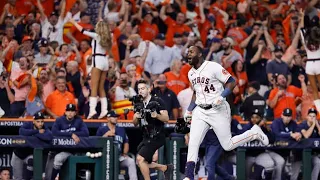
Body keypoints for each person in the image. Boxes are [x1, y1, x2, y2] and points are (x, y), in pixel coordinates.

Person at [183, 46, 269, 180]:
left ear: (200, 54)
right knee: (193, 142)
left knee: (227, 145)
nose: (188, 54)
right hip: (200, 110)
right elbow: (196, 92)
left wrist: (222, 96)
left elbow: (231, 82)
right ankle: (188, 177)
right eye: (187, 52)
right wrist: (189, 110)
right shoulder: (190, 73)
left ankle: (254, 133)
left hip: (218, 109)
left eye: (191, 52)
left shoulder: (213, 67)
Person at [69, 17, 112, 119]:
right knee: (101, 87)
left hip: (97, 59)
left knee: (94, 86)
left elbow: (82, 30)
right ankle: (104, 110)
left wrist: (74, 22)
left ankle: (92, 110)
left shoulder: (97, 36)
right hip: (105, 60)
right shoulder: (108, 37)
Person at [132, 79, 173, 180]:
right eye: (138, 89)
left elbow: (166, 118)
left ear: (149, 89)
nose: (140, 91)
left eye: (142, 88)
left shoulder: (158, 101)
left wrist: (157, 116)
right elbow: (135, 123)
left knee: (140, 159)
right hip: (146, 136)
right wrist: (136, 116)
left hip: (157, 135)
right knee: (141, 162)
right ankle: (165, 168)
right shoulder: (138, 103)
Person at [50, 104, 89, 180]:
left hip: (76, 149)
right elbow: (54, 132)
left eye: (72, 111)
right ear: (65, 112)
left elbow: (86, 133)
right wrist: (70, 134)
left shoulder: (79, 120)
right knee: (58, 158)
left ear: (75, 113)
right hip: (63, 149)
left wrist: (74, 134)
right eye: (68, 111)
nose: (70, 113)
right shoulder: (59, 120)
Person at [96, 110, 138, 180]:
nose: (116, 118)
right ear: (108, 118)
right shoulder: (102, 129)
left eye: (116, 117)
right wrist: (106, 135)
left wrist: (125, 153)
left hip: (119, 157)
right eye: (113, 117)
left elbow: (126, 142)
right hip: (105, 157)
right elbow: (97, 142)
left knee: (131, 161)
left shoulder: (121, 129)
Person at [11, 111, 53, 180]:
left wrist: (34, 134)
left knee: (31, 160)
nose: (40, 124)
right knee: (17, 178)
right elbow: (21, 131)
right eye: (38, 121)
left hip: (29, 155)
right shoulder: (28, 124)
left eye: (42, 121)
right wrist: (37, 132)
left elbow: (49, 137)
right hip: (18, 155)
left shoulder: (44, 128)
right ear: (34, 121)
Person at [300, 10, 320, 113]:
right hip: (318, 63)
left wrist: (302, 16)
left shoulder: (305, 36)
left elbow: (302, 28)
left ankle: (319, 110)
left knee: (314, 90)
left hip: (309, 64)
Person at [297, 108, 320, 180]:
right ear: (307, 116)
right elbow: (306, 135)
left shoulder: (317, 125)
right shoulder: (302, 125)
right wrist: (313, 125)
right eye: (310, 116)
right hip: (302, 153)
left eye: (314, 116)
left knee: (318, 162)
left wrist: (317, 125)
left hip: (313, 153)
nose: (312, 118)